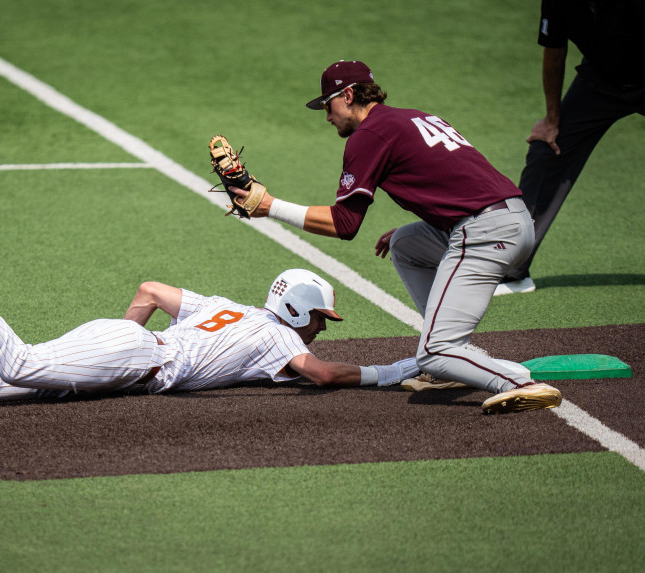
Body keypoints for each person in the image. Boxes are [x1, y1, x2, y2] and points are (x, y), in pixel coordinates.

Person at [228, 60, 562, 414]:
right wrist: (427, 227)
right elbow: (458, 181)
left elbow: (345, 224)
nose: (326, 116)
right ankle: (454, 357)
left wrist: (270, 206)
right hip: (510, 218)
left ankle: (518, 383)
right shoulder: (412, 117)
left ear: (349, 95)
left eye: (327, 105)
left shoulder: (368, 136)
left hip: (485, 232)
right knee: (405, 245)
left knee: (433, 353)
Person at [0, 232, 420, 402]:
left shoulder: (232, 308)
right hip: (135, 355)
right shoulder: (277, 339)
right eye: (320, 318)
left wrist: (125, 342)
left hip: (128, 344)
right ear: (297, 310)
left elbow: (148, 290)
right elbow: (320, 374)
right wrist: (388, 372)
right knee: (18, 362)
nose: (322, 326)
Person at [496, 0, 645, 295]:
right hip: (599, 83)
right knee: (546, 150)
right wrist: (552, 120)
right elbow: (554, 52)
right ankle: (515, 270)